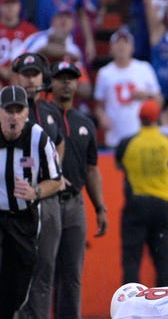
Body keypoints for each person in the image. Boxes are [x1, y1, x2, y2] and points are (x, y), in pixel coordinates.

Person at [48, 60, 107, 318]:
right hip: (45, 201)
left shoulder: (85, 122)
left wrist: (100, 207)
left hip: (75, 203)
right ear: (51, 83)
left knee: (72, 273)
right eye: (61, 78)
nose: (66, 83)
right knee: (43, 270)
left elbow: (92, 169)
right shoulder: (41, 115)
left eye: (71, 78)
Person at [0, 85, 62, 318]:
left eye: (18, 110)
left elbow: (55, 180)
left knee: (18, 282)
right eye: (8, 110)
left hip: (23, 218)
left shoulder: (39, 138)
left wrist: (35, 191)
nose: (13, 116)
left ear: (27, 113)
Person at [12, 51, 66, 319]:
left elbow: (60, 144)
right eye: (26, 74)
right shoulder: (5, 110)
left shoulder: (50, 111)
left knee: (45, 267)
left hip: (45, 197)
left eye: (35, 74)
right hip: (12, 201)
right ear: (17, 77)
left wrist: (56, 174)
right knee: (14, 268)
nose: (31, 80)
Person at [115, 99, 168, 286]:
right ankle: (166, 307)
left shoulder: (128, 143)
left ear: (139, 118)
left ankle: (129, 306)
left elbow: (119, 164)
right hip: (163, 205)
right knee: (163, 259)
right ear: (158, 118)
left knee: (131, 259)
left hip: (137, 204)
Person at [93, 26, 163, 148]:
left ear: (132, 47)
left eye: (125, 42)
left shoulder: (144, 68)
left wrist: (147, 95)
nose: (121, 46)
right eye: (117, 43)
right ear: (111, 48)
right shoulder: (104, 73)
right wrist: (102, 117)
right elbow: (98, 105)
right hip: (115, 136)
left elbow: (159, 100)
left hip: (141, 135)